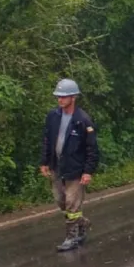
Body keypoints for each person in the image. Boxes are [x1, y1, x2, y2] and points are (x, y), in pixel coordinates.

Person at [40, 79, 99, 252]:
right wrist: (44, 161)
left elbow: (92, 148)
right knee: (61, 201)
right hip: (57, 166)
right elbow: (46, 140)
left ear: (73, 97)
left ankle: (71, 238)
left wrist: (88, 171)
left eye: (63, 97)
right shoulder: (53, 116)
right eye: (58, 96)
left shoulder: (83, 120)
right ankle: (83, 224)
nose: (60, 99)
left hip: (75, 169)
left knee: (72, 204)